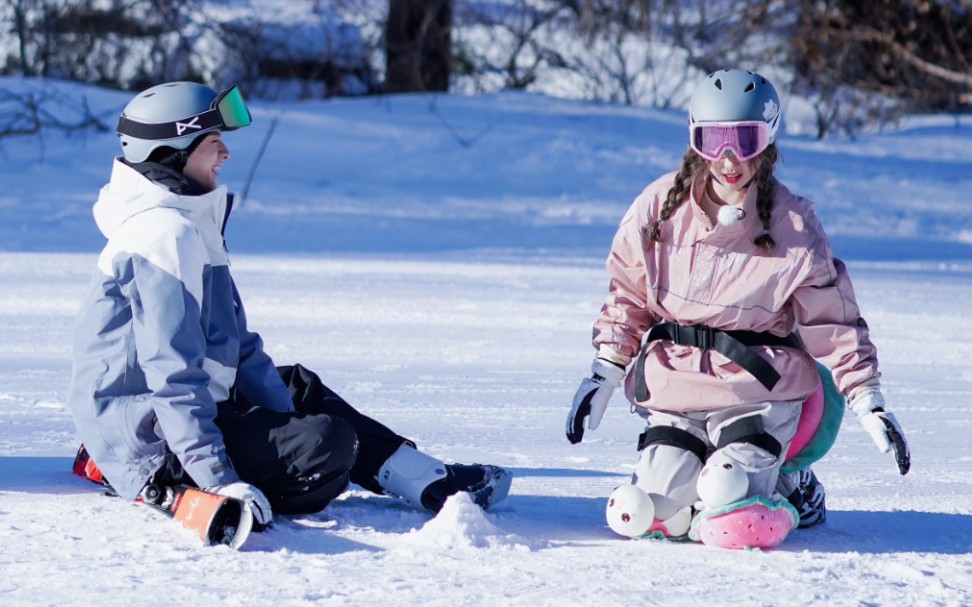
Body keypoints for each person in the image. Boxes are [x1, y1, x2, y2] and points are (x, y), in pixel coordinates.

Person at [67, 81, 512, 529]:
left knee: (300, 390)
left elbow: (237, 347)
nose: (226, 155)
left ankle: (427, 480)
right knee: (327, 444)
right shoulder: (163, 235)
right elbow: (172, 374)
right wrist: (217, 479)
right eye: (214, 143)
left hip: (181, 407)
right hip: (149, 431)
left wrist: (286, 418)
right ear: (172, 152)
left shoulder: (191, 221)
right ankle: (145, 469)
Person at [565, 68, 909, 550]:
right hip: (676, 388)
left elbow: (832, 320)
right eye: (714, 140)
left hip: (757, 393)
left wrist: (868, 400)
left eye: (744, 140)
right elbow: (627, 294)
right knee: (644, 511)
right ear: (695, 139)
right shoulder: (659, 207)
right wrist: (603, 373)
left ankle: (791, 486)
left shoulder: (793, 223)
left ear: (766, 139)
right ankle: (696, 473)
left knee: (725, 499)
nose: (729, 159)